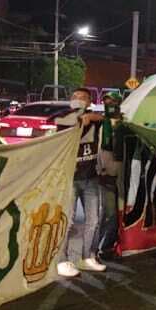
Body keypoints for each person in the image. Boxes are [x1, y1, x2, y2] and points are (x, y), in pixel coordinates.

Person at [56, 88, 107, 278]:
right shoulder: (64, 118)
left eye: (83, 98)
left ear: (90, 101)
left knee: (94, 219)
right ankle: (62, 260)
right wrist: (80, 120)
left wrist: (94, 117)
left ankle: (88, 257)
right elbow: (62, 127)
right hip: (70, 178)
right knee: (66, 221)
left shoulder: (95, 119)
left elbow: (107, 119)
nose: (79, 100)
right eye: (75, 97)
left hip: (90, 177)